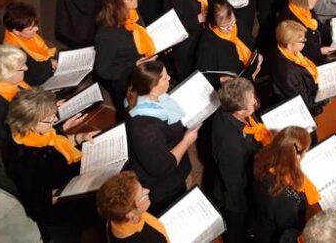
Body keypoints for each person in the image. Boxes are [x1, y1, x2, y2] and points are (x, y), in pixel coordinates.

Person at [2, 88, 99, 241]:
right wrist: (76, 188)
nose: (55, 120)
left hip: (73, 187)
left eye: (54, 114)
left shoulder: (40, 132)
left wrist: (80, 137)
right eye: (49, 118)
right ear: (30, 124)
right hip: (60, 210)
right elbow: (37, 201)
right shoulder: (22, 161)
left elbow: (58, 141)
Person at [125, 61, 199, 214]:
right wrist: (186, 141)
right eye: (165, 78)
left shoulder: (143, 96)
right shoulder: (145, 129)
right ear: (152, 88)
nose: (170, 78)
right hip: (163, 186)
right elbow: (161, 167)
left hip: (170, 158)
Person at [212, 77, 271, 243]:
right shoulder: (230, 143)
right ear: (239, 111)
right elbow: (233, 182)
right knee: (237, 231)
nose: (255, 101)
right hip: (237, 197)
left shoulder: (233, 110)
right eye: (252, 101)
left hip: (244, 180)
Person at [94, 0, 155, 114]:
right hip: (126, 83)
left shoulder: (133, 13)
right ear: (116, 5)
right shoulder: (106, 35)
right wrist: (134, 64)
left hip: (144, 75)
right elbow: (103, 70)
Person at [252, 126, 320, 243]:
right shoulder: (281, 197)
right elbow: (290, 226)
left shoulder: (265, 156)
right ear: (297, 156)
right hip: (274, 235)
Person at [195, 0, 259, 88]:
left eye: (233, 23)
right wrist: (221, 79)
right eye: (224, 27)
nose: (230, 29)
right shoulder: (207, 45)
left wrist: (257, 54)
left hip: (249, 72)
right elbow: (203, 75)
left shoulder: (237, 23)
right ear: (214, 23)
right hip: (232, 86)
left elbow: (250, 42)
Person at [96, 171, 170, 243]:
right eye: (142, 196)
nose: (147, 191)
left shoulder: (114, 215)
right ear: (130, 214)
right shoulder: (152, 239)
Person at [0, 44, 32, 146]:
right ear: (7, 74)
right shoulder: (0, 104)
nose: (26, 68)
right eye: (21, 67)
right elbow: (4, 134)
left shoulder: (9, 82)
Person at [272, 20, 324, 116]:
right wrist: (325, 96)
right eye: (302, 40)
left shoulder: (283, 49)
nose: (305, 41)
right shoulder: (289, 73)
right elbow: (305, 103)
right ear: (289, 45)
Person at [280, 0, 333, 65]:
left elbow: (319, 27)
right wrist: (320, 51)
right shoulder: (289, 21)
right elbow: (297, 50)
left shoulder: (305, 8)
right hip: (305, 63)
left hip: (319, 54)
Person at [2, 1, 56, 86]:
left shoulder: (25, 35)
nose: (37, 29)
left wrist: (50, 62)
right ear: (16, 31)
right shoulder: (13, 54)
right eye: (31, 28)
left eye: (35, 25)